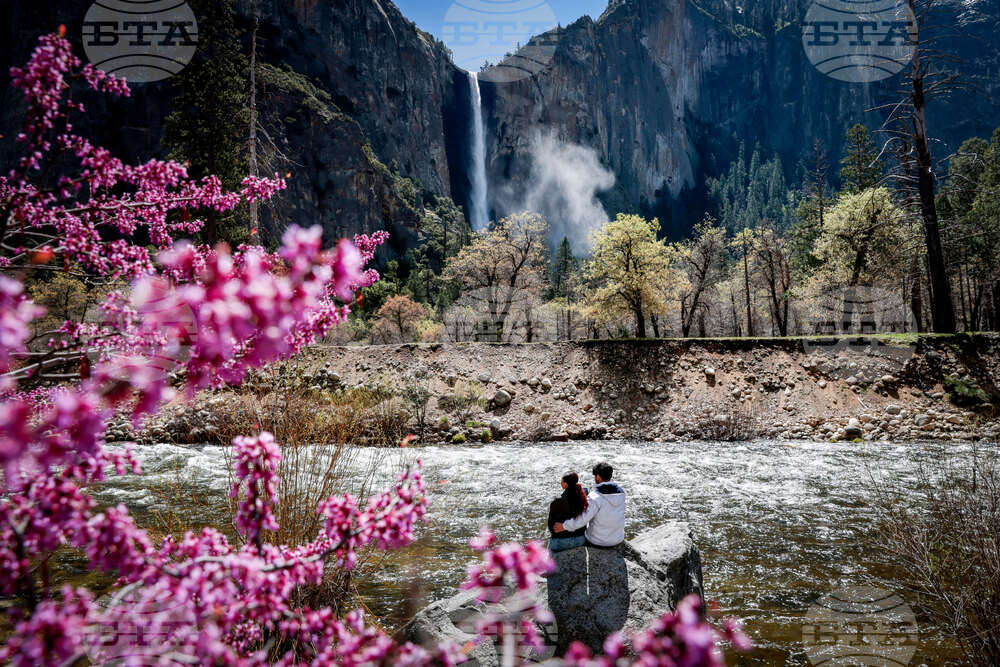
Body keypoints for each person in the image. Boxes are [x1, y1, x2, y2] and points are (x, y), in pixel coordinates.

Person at [554, 462, 625, 547]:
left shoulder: (595, 497)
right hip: (618, 538)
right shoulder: (621, 493)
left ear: (598, 476)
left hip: (598, 541)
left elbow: (583, 519)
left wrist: (564, 526)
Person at [547, 472, 589, 552]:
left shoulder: (557, 502)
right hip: (580, 540)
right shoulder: (584, 497)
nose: (561, 483)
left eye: (561, 481)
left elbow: (551, 528)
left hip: (560, 542)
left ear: (566, 484)